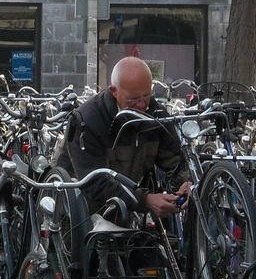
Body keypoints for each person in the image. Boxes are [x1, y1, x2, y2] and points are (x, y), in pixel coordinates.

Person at [63, 56, 191, 218]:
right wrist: (145, 200)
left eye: (147, 95)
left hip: (124, 200)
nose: (142, 105)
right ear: (114, 91)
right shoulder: (87, 120)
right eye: (134, 99)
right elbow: (94, 181)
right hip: (79, 205)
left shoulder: (156, 114)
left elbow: (174, 160)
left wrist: (186, 182)